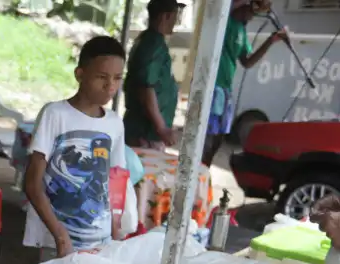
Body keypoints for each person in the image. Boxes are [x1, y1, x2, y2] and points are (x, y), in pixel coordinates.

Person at [23, 36, 128, 260]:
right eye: (102, 77)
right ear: (80, 74)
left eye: (117, 78)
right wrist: (60, 236)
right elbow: (32, 183)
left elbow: (116, 179)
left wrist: (116, 227)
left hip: (99, 239)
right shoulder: (55, 114)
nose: (110, 86)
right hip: (57, 238)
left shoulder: (115, 123)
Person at [201, 0, 288, 166]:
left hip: (225, 88)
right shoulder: (223, 22)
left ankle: (204, 170)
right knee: (207, 136)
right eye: (253, 11)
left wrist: (271, 40)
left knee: (219, 137)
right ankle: (197, 171)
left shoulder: (241, 29)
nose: (253, 16)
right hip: (212, 86)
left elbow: (247, 62)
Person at [123, 0, 184, 149]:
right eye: (175, 16)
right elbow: (146, 88)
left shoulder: (149, 40)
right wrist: (162, 128)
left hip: (145, 130)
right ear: (166, 16)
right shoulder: (153, 43)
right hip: (144, 132)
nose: (176, 21)